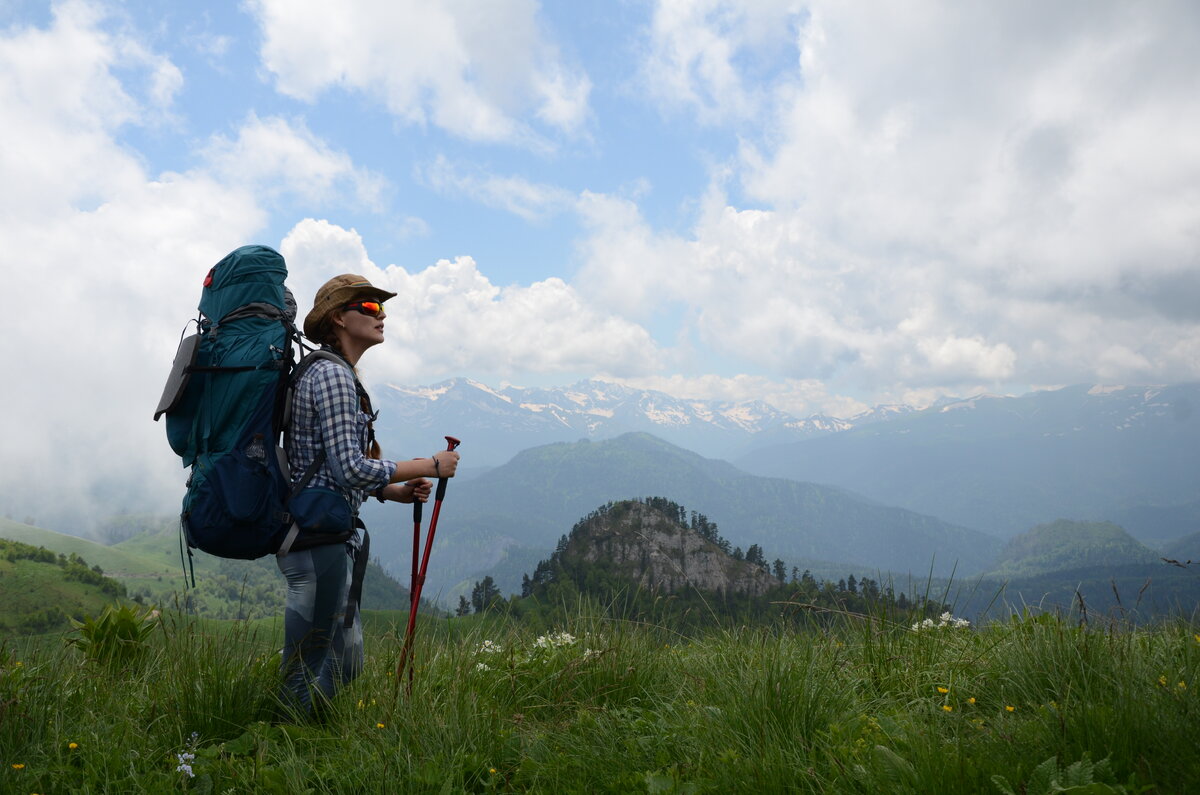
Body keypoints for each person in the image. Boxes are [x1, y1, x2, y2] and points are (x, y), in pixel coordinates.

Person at [278, 273, 459, 716]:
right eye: (371, 307)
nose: (383, 316)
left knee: (346, 662)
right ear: (338, 318)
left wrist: (391, 492)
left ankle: (307, 740)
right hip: (315, 540)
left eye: (382, 308)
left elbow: (330, 463)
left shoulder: (337, 374)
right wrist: (429, 465)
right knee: (307, 666)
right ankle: (283, 750)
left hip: (330, 534)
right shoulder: (332, 377)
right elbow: (349, 467)